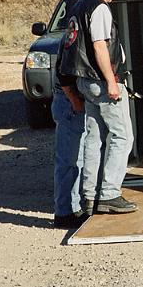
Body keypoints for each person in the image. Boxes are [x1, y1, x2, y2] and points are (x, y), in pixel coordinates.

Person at [60, 0, 137, 214]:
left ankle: (90, 195)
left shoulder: (78, 6)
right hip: (101, 82)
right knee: (122, 136)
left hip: (84, 82)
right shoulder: (100, 8)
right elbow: (99, 46)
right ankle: (110, 194)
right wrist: (112, 82)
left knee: (94, 138)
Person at [52, 35, 88, 228]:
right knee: (70, 160)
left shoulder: (75, 33)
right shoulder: (73, 37)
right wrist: (74, 100)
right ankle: (65, 212)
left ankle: (72, 208)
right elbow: (63, 73)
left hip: (72, 101)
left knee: (76, 159)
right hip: (70, 102)